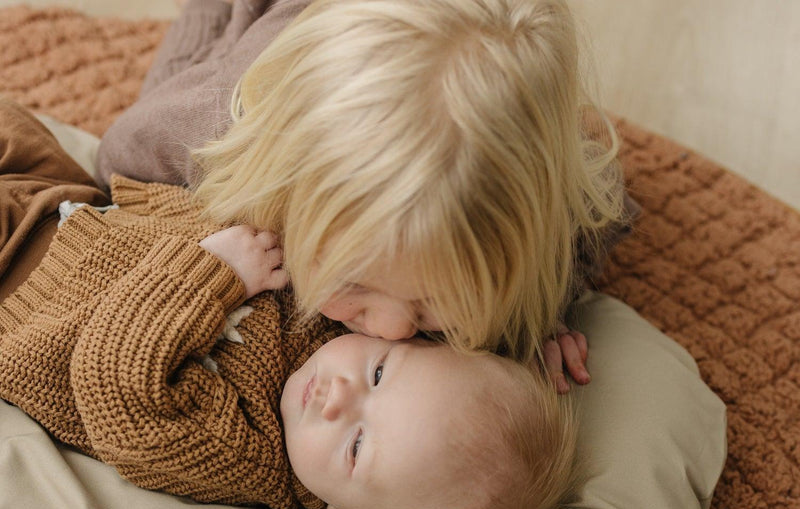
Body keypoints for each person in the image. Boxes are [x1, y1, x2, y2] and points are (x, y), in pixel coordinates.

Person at [0, 99, 576, 509]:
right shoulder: (348, 335)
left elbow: (112, 384)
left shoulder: (243, 450)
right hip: (77, 204)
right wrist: (530, 332)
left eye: (355, 444)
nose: (338, 396)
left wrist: (212, 276)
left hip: (22, 287)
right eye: (378, 373)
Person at [97, 0, 638, 390]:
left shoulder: (562, 205)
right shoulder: (217, 125)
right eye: (351, 282)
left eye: (433, 306)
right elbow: (114, 160)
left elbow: (604, 207)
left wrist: (541, 310)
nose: (392, 330)